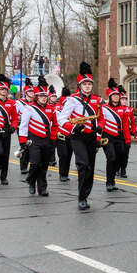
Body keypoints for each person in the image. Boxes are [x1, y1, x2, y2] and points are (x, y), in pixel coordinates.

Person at [57, 62, 103, 211]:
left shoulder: (97, 100)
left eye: (90, 84)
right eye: (85, 84)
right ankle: (81, 197)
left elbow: (100, 118)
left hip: (91, 138)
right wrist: (73, 127)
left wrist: (99, 131)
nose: (88, 86)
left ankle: (85, 194)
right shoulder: (72, 100)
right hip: (77, 137)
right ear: (80, 85)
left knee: (90, 168)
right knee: (83, 165)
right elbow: (62, 119)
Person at [18, 76, 58, 196]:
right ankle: (31, 181)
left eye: (45, 96)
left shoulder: (52, 109)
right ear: (36, 97)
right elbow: (23, 125)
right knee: (35, 163)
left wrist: (53, 137)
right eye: (41, 96)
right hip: (33, 139)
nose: (44, 98)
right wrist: (22, 140)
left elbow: (55, 125)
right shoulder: (29, 108)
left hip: (47, 139)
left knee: (44, 165)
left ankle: (42, 188)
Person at [100, 78, 132, 192]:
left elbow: (124, 127)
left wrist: (128, 140)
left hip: (119, 138)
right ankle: (109, 182)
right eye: (114, 95)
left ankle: (112, 180)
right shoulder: (104, 108)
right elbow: (101, 122)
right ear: (110, 97)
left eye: (117, 95)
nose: (116, 97)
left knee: (119, 158)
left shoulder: (123, 110)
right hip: (107, 137)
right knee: (111, 158)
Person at [55, 87, 73, 182]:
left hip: (70, 134)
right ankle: (62, 174)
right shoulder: (57, 108)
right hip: (61, 134)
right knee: (63, 155)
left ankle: (65, 173)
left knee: (69, 155)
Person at [118, 86, 135, 178]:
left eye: (125, 99)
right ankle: (117, 168)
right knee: (118, 153)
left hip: (127, 134)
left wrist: (134, 130)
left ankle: (123, 170)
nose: (124, 101)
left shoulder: (129, 109)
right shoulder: (116, 108)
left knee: (125, 153)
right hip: (118, 134)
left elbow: (132, 122)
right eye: (122, 99)